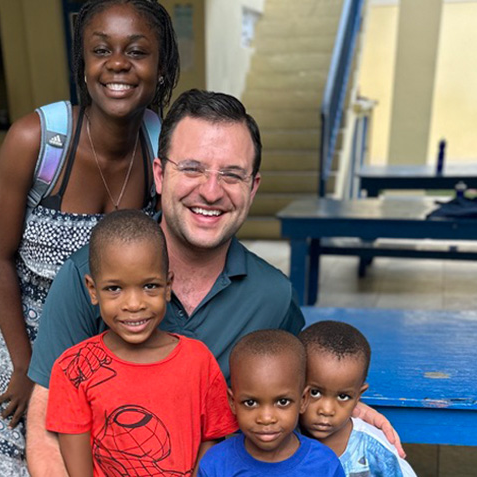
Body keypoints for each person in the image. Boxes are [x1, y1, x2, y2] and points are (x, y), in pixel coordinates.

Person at [25, 89, 404, 475]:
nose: (210, 190)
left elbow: (300, 382)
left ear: (253, 188)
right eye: (192, 168)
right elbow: (48, 422)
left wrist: (342, 406)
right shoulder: (89, 275)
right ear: (159, 174)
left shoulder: (272, 295)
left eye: (232, 175)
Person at [0, 1, 179, 474]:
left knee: (94, 446)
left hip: (98, 321)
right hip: (14, 319)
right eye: (101, 49)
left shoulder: (158, 143)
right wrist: (24, 368)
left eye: (137, 51)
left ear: (161, 66)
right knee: (17, 444)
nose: (118, 64)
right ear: (82, 65)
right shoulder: (35, 140)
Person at [47, 209, 238, 476]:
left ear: (168, 285)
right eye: (115, 288)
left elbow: (212, 440)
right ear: (92, 290)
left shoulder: (198, 361)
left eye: (150, 286)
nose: (134, 304)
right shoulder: (74, 369)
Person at [198, 329, 344, 476]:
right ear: (232, 402)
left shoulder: (324, 465)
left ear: (303, 400)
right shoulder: (216, 464)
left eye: (282, 401)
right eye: (250, 403)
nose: (266, 418)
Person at [299, 321, 416, 477]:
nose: (326, 410)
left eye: (343, 396)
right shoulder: (280, 437)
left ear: (358, 396)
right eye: (315, 392)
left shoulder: (374, 449)